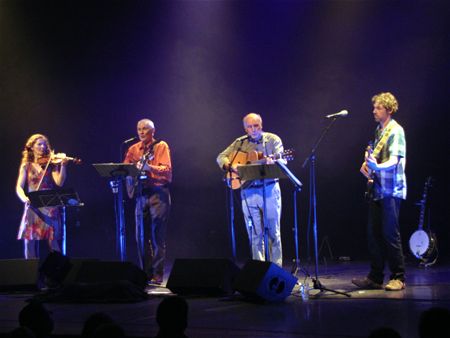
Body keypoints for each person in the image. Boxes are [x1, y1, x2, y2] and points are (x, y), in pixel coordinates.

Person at [352, 92, 407, 291]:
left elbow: (395, 160)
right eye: (374, 107)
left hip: (392, 189)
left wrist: (377, 168)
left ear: (389, 110)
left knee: (390, 233)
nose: (374, 111)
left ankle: (398, 277)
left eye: (378, 108)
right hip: (377, 188)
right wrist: (367, 165)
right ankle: (375, 277)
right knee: (373, 233)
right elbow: (375, 156)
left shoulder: (396, 131)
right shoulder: (378, 131)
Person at [217, 113, 285, 266]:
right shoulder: (240, 143)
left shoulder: (273, 139)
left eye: (256, 126)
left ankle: (276, 269)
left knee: (273, 232)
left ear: (261, 125)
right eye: (250, 127)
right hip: (248, 191)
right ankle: (259, 269)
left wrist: (273, 160)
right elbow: (221, 156)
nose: (253, 129)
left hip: (269, 189)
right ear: (245, 128)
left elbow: (282, 160)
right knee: (255, 233)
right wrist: (231, 167)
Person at [124, 119, 172, 285]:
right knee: (140, 236)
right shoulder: (133, 149)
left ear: (153, 131)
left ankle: (157, 274)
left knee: (157, 235)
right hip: (140, 194)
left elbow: (167, 171)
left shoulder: (161, 146)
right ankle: (145, 272)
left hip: (158, 193)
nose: (141, 132)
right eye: (139, 129)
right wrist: (130, 178)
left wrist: (149, 168)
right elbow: (125, 170)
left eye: (145, 129)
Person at [16, 134, 68, 259]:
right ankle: (31, 274)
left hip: (49, 205)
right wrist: (25, 198)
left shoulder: (51, 163)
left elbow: (59, 182)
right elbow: (19, 187)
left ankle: (57, 273)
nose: (42, 146)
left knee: (52, 241)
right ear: (32, 147)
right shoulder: (26, 166)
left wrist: (63, 166)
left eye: (44, 144)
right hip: (33, 205)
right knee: (29, 241)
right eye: (39, 144)